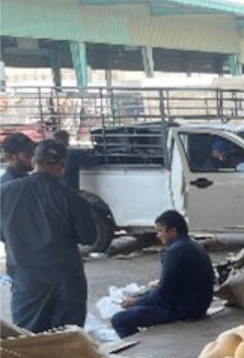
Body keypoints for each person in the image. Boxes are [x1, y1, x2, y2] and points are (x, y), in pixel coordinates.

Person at [0, 140, 97, 333]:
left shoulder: (4, 193)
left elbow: (3, 234)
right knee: (68, 340)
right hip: (66, 279)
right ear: (62, 167)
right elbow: (89, 238)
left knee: (28, 339)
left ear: (34, 161)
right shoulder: (72, 199)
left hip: (26, 279)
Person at [111, 210, 215, 339]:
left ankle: (138, 347)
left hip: (185, 309)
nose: (158, 236)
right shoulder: (194, 245)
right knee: (144, 300)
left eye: (160, 231)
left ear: (173, 231)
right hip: (199, 304)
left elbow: (163, 293)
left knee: (119, 319)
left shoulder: (174, 251)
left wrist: (136, 302)